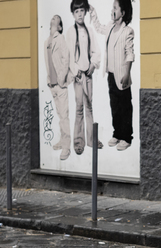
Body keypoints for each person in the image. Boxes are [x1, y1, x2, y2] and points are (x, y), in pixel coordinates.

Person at [89, 0, 135, 151]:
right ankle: (117, 133)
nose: (112, 10)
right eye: (112, 7)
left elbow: (129, 54)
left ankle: (126, 137)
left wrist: (127, 73)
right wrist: (92, 11)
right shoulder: (110, 26)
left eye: (115, 8)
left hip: (122, 75)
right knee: (114, 105)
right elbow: (98, 27)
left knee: (125, 106)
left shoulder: (127, 31)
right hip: (110, 74)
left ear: (123, 13)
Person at [67, 0, 102, 155]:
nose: (80, 14)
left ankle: (92, 140)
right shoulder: (70, 31)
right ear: (73, 14)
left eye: (82, 11)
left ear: (85, 12)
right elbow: (68, 56)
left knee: (89, 106)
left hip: (88, 75)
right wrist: (77, 72)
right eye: (76, 11)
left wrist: (93, 66)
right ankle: (78, 142)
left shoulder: (88, 30)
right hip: (78, 76)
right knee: (79, 107)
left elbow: (96, 51)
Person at [44, 15, 71, 161]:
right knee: (60, 114)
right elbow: (48, 63)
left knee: (64, 115)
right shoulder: (46, 42)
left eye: (56, 19)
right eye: (52, 18)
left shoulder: (59, 38)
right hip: (52, 85)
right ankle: (63, 140)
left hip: (60, 85)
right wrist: (49, 80)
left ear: (59, 27)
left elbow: (66, 58)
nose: (53, 19)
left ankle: (67, 147)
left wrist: (61, 78)